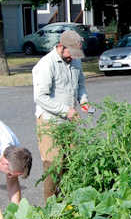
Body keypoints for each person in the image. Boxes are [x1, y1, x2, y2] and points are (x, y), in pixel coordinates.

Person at [32, 30, 91, 202]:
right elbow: (40, 97)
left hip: (69, 121)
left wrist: (84, 100)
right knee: (53, 166)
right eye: (71, 53)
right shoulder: (46, 65)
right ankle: (51, 207)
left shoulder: (75, 61)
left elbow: (80, 85)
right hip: (50, 121)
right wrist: (66, 110)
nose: (73, 57)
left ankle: (67, 203)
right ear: (60, 46)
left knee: (71, 162)